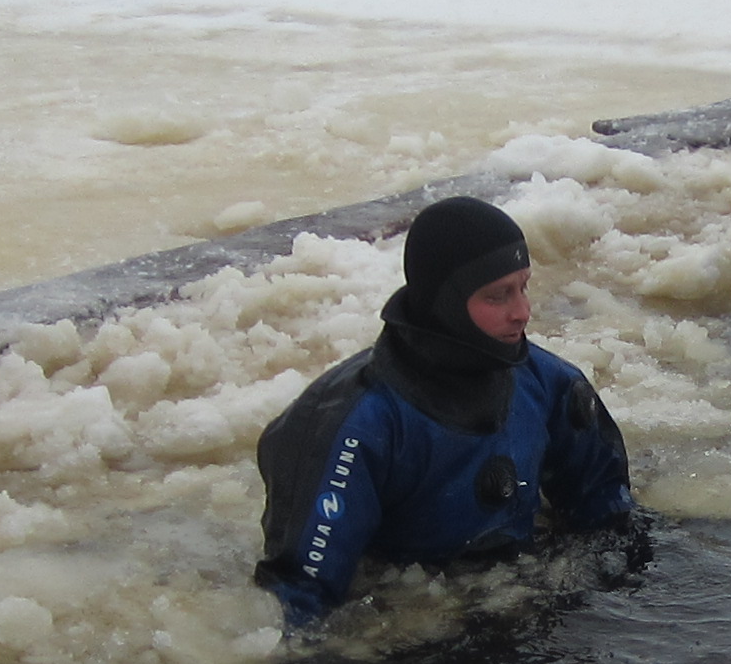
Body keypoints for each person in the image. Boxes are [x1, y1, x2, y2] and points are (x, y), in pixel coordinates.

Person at [255, 198, 639, 624]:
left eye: (523, 286)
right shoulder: (356, 424)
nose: (523, 312)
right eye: (498, 296)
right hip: (413, 622)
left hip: (522, 595)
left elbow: (605, 511)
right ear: (445, 303)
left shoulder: (547, 382)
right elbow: (300, 599)